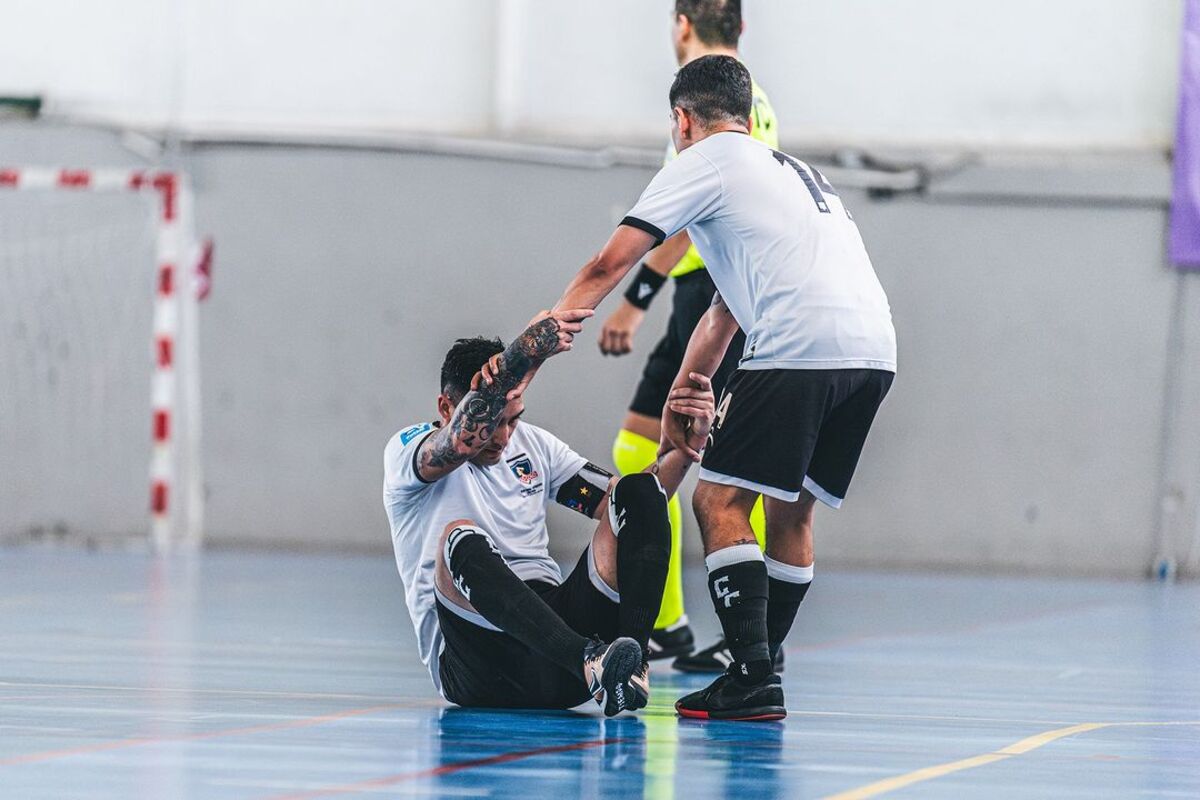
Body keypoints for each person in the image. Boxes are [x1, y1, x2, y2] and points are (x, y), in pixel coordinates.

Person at [543, 56, 897, 720]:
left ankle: (755, 677)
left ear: (683, 120)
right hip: (874, 348)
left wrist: (542, 335)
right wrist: (688, 393)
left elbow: (611, 261)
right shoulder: (793, 172)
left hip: (799, 342)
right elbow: (723, 313)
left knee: (719, 499)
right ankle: (756, 669)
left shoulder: (704, 163)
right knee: (792, 510)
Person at [383, 311, 717, 715]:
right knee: (458, 536)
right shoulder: (408, 450)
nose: (503, 437)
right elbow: (456, 444)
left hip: (560, 656)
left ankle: (625, 670)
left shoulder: (534, 447)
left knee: (639, 492)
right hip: (477, 662)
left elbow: (627, 508)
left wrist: (679, 451)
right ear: (445, 407)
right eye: (492, 422)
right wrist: (526, 355)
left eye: (513, 420)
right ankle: (587, 659)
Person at [598, 0, 781, 674]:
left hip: (716, 292)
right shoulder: (749, 97)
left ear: (681, 25)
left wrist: (631, 304)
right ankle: (667, 621)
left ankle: (748, 636)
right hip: (701, 292)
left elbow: (688, 212)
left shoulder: (711, 110)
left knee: (728, 468)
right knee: (639, 445)